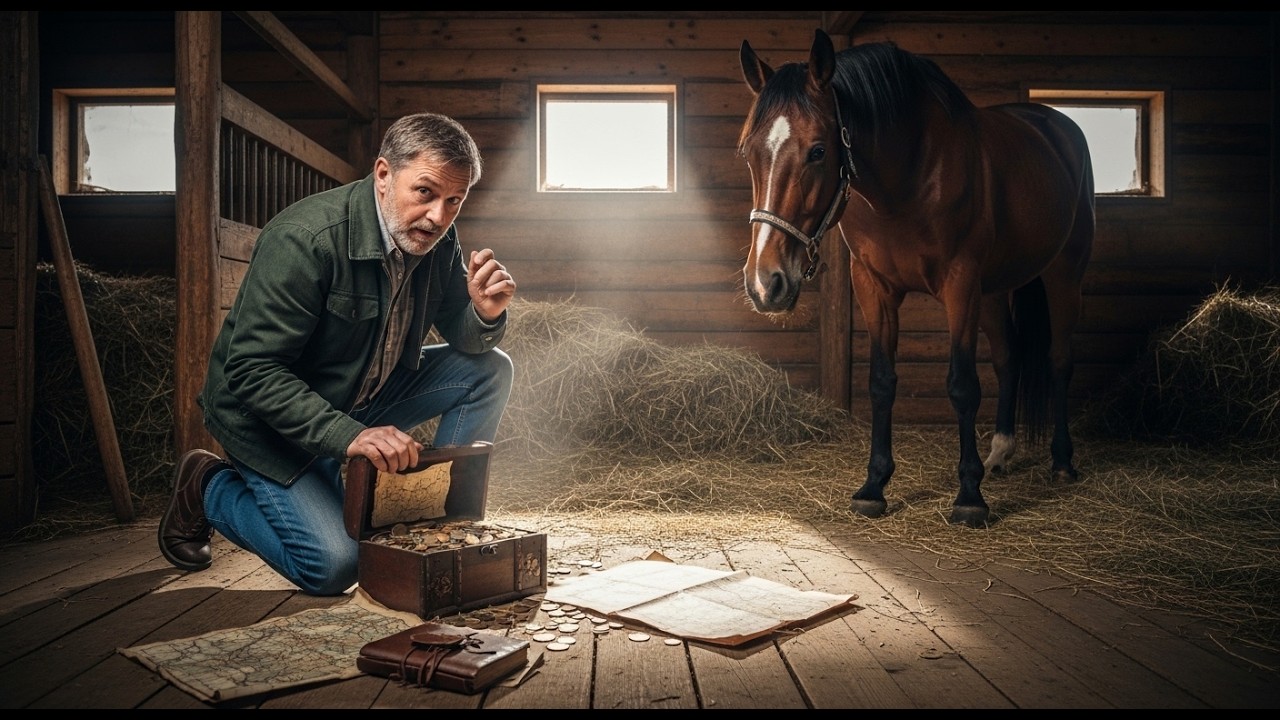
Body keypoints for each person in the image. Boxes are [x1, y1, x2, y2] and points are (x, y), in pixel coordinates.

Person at [158, 112, 516, 595]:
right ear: (384, 175)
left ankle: (442, 524)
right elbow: (251, 371)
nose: (439, 217)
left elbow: (464, 338)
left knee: (490, 369)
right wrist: (351, 436)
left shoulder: (435, 236)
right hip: (272, 423)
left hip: (361, 395)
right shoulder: (305, 239)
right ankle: (207, 486)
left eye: (455, 201)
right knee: (333, 567)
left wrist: (485, 314)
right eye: (426, 193)